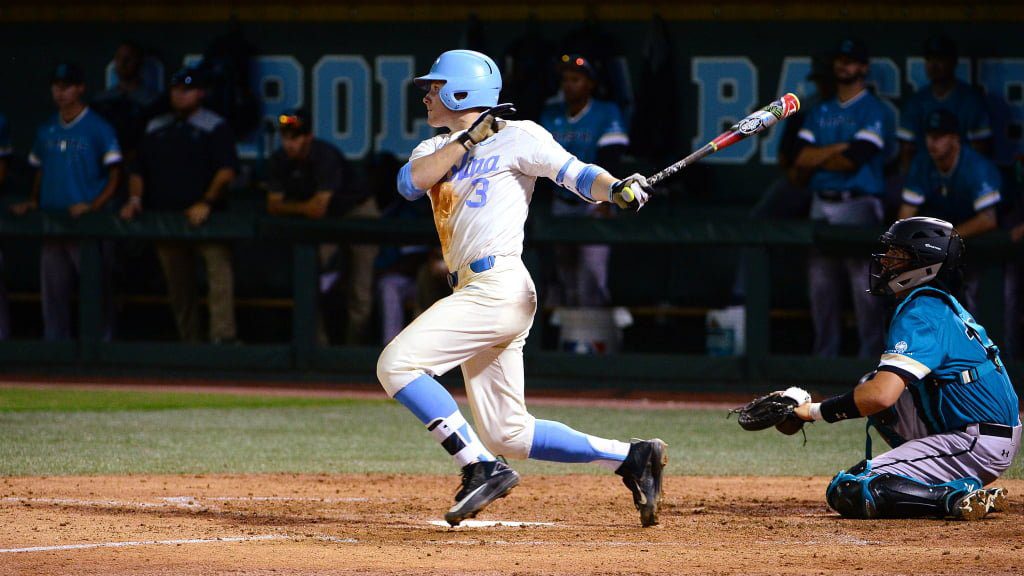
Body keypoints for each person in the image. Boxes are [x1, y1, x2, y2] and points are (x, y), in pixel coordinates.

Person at [376, 49, 666, 527]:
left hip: (500, 285)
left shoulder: (520, 136)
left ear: (461, 91)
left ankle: (479, 467)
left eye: (435, 86)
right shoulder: (433, 148)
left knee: (398, 364)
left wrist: (616, 188)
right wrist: (468, 140)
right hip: (471, 289)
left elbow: (576, 174)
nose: (427, 95)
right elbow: (410, 184)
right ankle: (632, 457)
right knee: (509, 433)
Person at [788, 217, 1018, 520]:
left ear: (925, 263)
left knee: (850, 489)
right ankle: (928, 477)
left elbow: (880, 396)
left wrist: (812, 412)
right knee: (870, 383)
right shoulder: (936, 303)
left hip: (975, 442)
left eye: (899, 255)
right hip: (980, 433)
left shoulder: (921, 311)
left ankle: (953, 496)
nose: (886, 262)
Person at [121, 65, 238, 343]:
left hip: (208, 220)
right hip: (167, 218)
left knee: (219, 279)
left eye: (187, 90)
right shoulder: (156, 126)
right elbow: (138, 169)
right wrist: (135, 199)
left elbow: (227, 171)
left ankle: (223, 340)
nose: (180, 95)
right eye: (176, 90)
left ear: (200, 93)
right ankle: (190, 343)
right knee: (178, 287)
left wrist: (206, 202)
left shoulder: (214, 125)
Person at [12, 63, 122, 340]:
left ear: (81, 88)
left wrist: (94, 207)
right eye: (56, 86)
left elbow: (115, 175)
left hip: (87, 223)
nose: (61, 92)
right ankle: (55, 348)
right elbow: (40, 170)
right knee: (53, 292)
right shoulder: (46, 129)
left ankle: (102, 348)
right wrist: (33, 201)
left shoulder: (98, 127)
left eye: (67, 86)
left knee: (96, 289)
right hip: (53, 221)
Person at [794, 38, 889, 357]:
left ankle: (870, 363)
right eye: (840, 60)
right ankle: (825, 358)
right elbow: (800, 158)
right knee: (821, 288)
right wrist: (838, 148)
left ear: (863, 68)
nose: (843, 66)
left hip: (859, 203)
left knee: (864, 290)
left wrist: (824, 155)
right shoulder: (821, 110)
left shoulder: (873, 109)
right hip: (822, 202)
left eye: (851, 61)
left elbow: (854, 158)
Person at [266, 109, 380, 345]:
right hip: (325, 221)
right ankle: (317, 345)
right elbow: (273, 206)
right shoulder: (279, 160)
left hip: (358, 212)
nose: (289, 143)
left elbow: (316, 208)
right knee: (310, 279)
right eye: (286, 137)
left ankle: (354, 349)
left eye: (295, 137)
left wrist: (293, 206)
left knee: (360, 287)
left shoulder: (324, 154)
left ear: (308, 137)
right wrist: (303, 207)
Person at [540, 54, 629, 307]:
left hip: (594, 200)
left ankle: (597, 339)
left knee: (592, 272)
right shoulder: (551, 113)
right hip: (561, 199)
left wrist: (607, 200)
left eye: (576, 79)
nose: (569, 85)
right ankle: (570, 337)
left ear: (590, 83)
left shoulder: (605, 112)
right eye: (566, 80)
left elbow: (612, 158)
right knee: (564, 271)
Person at [898, 109, 1001, 313]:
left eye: (938, 137)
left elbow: (989, 220)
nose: (932, 143)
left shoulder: (976, 166)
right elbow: (905, 214)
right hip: (944, 241)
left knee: (981, 301)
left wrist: (942, 238)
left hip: (982, 242)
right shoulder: (922, 163)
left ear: (955, 139)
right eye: (929, 136)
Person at [898, 36, 991, 174]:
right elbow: (907, 150)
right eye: (929, 59)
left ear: (953, 62)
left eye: (940, 59)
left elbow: (980, 151)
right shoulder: (917, 102)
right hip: (926, 180)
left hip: (962, 178)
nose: (934, 65)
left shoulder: (970, 101)